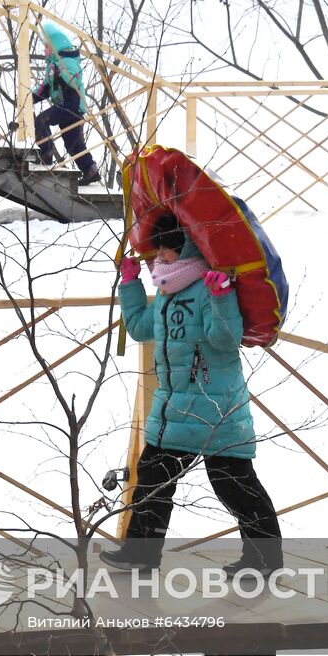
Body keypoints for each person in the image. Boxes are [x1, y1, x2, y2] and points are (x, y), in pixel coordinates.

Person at [103, 212, 283, 576]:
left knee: (234, 485)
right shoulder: (168, 290)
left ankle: (264, 559)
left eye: (167, 251)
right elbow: (139, 328)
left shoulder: (205, 287)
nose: (159, 258)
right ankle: (141, 554)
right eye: (158, 252)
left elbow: (225, 340)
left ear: (185, 249)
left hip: (216, 408)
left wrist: (220, 298)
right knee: (152, 475)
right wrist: (130, 285)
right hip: (174, 409)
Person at [31, 21, 101, 187]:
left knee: (41, 120)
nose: (44, 50)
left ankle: (46, 153)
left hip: (71, 106)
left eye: (47, 46)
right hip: (66, 108)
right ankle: (91, 170)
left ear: (55, 46)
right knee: (73, 143)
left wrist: (61, 71)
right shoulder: (53, 65)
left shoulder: (67, 61)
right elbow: (47, 88)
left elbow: (73, 79)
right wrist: (31, 97)